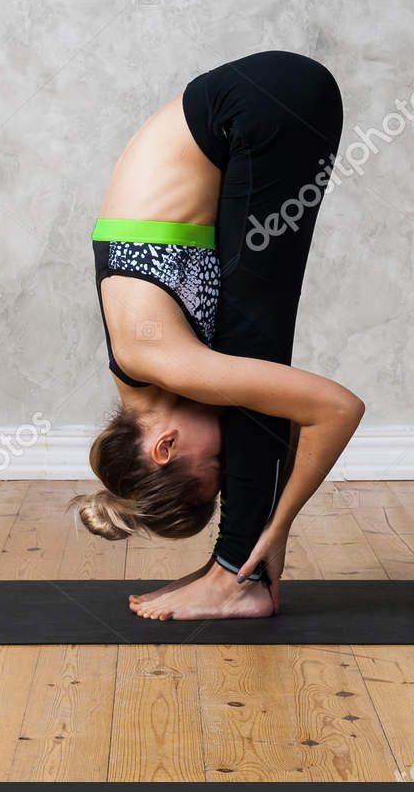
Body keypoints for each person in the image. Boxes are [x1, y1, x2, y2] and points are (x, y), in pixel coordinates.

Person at [75, 50, 364, 620]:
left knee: (254, 357)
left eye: (217, 467)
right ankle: (233, 568)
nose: (228, 459)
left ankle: (236, 573)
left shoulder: (161, 358)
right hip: (261, 104)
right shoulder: (148, 371)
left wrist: (277, 527)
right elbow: (290, 414)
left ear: (165, 447)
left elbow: (337, 409)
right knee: (253, 376)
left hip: (262, 105)